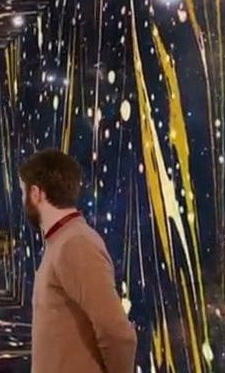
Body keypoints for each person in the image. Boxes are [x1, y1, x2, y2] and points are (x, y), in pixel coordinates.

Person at [20, 149, 137, 373]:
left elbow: (118, 334)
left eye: (22, 192)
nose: (23, 201)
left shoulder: (75, 243)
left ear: (36, 193)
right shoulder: (62, 241)